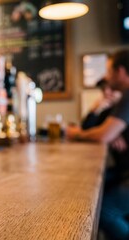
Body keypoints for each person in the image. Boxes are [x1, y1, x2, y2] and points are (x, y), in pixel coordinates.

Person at [67, 49, 129, 239]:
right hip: (123, 170)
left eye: (110, 71)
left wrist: (77, 134)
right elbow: (104, 131)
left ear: (120, 71)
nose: (108, 77)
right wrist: (113, 132)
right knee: (90, 193)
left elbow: (102, 135)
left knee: (104, 211)